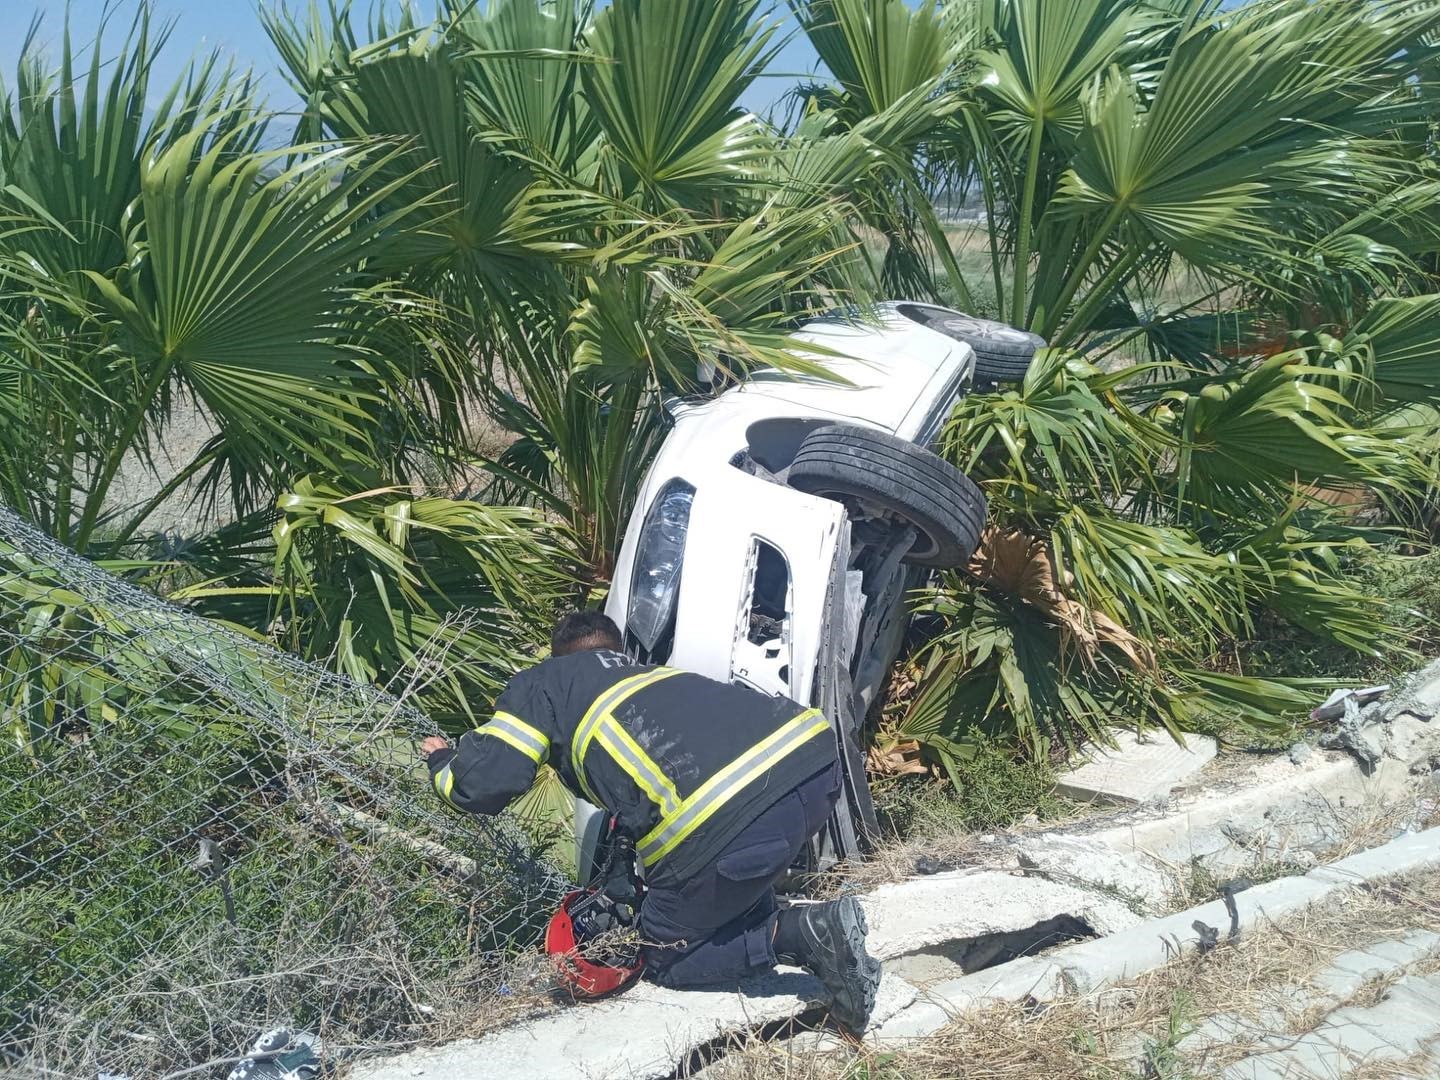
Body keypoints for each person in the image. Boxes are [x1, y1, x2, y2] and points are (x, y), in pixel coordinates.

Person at [420, 611, 882, 1031]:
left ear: (557, 657)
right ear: (616, 650)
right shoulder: (655, 677)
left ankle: (805, 934)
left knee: (666, 954)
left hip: (732, 819)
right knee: (715, 876)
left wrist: (443, 763)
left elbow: (485, 784)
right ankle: (779, 920)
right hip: (816, 768)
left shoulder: (546, 682)